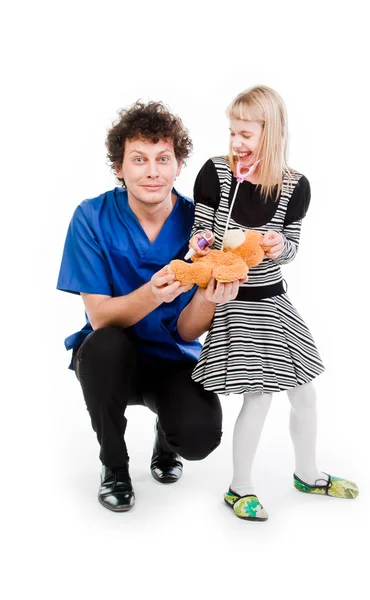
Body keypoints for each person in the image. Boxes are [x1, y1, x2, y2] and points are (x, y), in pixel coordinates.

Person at [56, 101, 241, 512]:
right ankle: (114, 466)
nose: (152, 171)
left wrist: (209, 297)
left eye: (163, 158)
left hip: (172, 357)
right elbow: (100, 317)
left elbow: (191, 332)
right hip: (110, 357)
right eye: (138, 159)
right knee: (104, 346)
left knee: (199, 437)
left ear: (178, 166)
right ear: (119, 168)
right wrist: (153, 293)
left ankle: (166, 436)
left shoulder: (202, 228)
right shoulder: (91, 217)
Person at [187, 85, 359, 521]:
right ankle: (238, 488)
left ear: (273, 132)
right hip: (235, 301)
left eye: (246, 134)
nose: (236, 143)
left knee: (305, 393)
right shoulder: (216, 174)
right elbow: (198, 237)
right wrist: (206, 243)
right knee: (259, 396)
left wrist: (278, 243)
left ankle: (307, 473)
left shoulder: (294, 186)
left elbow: (292, 247)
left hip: (274, 300)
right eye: (232, 133)